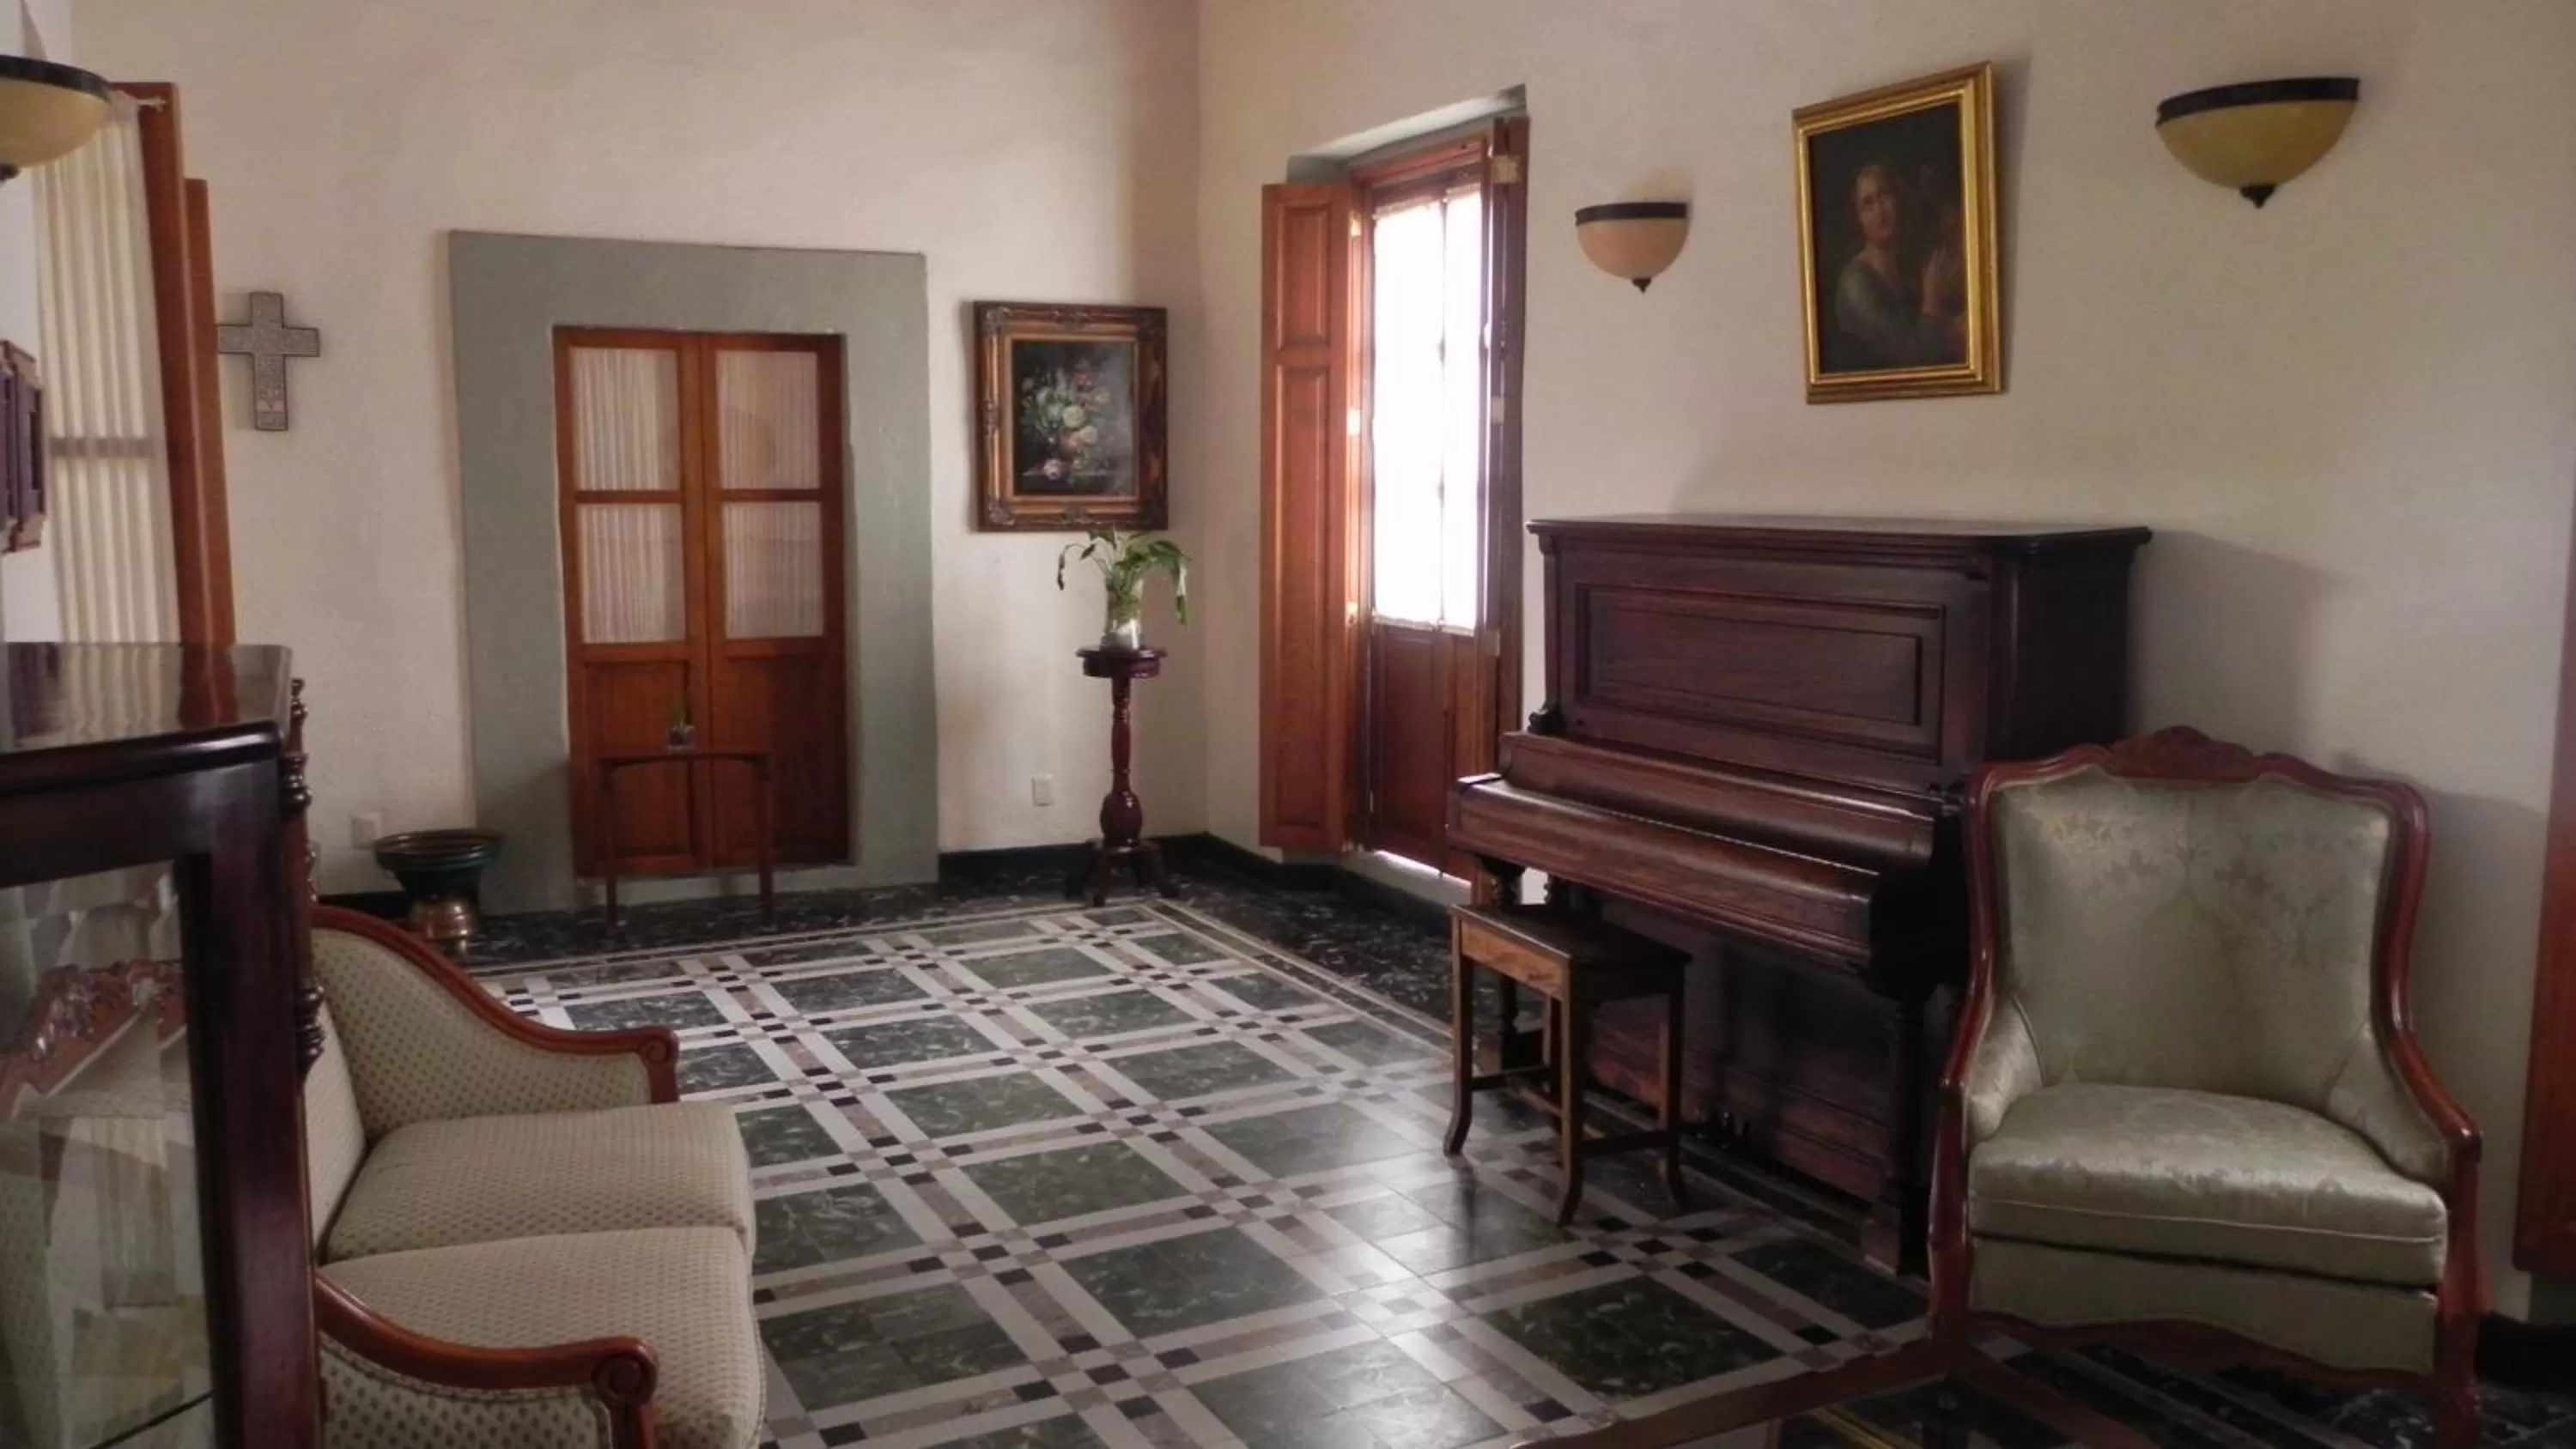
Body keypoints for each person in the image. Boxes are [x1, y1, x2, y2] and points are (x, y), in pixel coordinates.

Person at [1829, 160, 1965, 369]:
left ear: (1898, 200)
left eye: (1884, 196)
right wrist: (1931, 303)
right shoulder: (1856, 283)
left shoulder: (1905, 268)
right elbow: (1911, 359)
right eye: (1868, 204)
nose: (1879, 211)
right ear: (1859, 219)